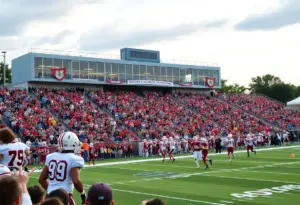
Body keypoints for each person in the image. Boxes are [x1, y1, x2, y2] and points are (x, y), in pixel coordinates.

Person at [39, 131, 86, 205]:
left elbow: (41, 179)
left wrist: (52, 192)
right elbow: (76, 181)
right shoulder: (75, 158)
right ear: (71, 144)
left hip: (49, 197)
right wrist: (83, 193)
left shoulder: (50, 157)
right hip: (65, 197)